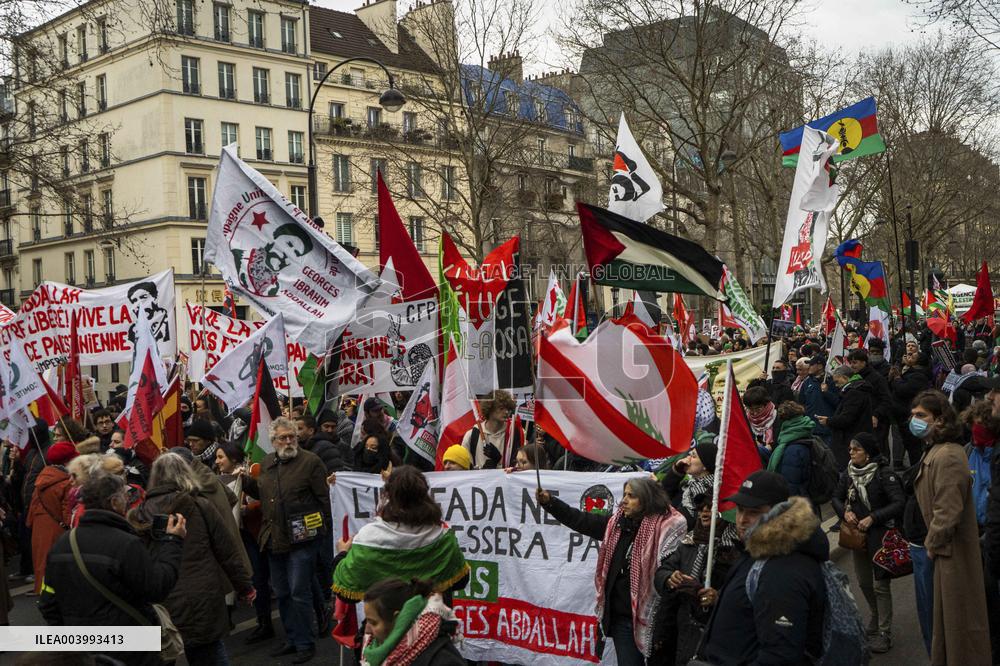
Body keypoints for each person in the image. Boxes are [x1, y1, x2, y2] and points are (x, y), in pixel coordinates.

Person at [39, 475, 186, 666]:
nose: (128, 499)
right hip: (130, 650)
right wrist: (172, 542)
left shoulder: (62, 543)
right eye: (125, 495)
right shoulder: (126, 544)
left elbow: (48, 601)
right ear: (114, 502)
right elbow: (157, 588)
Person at [537, 476, 687, 664]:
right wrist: (550, 503)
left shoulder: (667, 529)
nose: (624, 500)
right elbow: (581, 520)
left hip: (657, 622)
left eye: (631, 496)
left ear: (647, 499)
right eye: (624, 495)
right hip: (623, 621)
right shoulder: (617, 524)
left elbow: (667, 571)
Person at [130, 453, 254, 665]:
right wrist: (245, 588)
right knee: (209, 654)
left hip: (163, 598)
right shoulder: (200, 505)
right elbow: (226, 551)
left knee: (166, 654)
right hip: (202, 595)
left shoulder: (139, 514)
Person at [697, 471, 828, 665]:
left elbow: (781, 655)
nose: (742, 519)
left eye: (754, 512)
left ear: (780, 515)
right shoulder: (756, 551)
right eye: (740, 509)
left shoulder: (784, 570)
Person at [911, 389, 992, 665]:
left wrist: (932, 545)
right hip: (943, 551)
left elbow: (947, 510)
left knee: (959, 626)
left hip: (950, 552)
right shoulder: (937, 451)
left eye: (921, 415)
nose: (914, 421)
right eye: (913, 415)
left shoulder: (948, 455)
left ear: (940, 420)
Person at [241, 417, 330, 664]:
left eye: (292, 436)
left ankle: (305, 643)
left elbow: (324, 499)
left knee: (299, 592)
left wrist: (321, 533)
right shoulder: (267, 463)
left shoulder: (311, 462)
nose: (289, 441)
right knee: (282, 593)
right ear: (274, 441)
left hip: (303, 540)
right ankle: (292, 638)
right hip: (274, 538)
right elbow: (263, 493)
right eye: (283, 438)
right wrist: (245, 482)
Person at [334, 465, 469, 603]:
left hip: (387, 616)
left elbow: (345, 591)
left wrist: (342, 554)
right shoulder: (442, 536)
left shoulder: (367, 539)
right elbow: (460, 581)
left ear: (388, 495)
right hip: (433, 615)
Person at [831, 432, 904, 653]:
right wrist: (845, 513)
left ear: (869, 453)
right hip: (858, 537)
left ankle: (884, 632)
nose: (851, 452)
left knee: (880, 585)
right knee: (863, 581)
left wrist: (873, 517)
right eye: (850, 449)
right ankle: (875, 614)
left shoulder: (884, 473)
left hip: (881, 536)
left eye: (857, 449)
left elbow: (899, 502)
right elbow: (835, 497)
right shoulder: (849, 473)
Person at [654, 494, 740, 664]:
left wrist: (717, 597)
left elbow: (740, 591)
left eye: (710, 508)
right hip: (684, 627)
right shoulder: (689, 543)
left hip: (717, 630)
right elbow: (662, 572)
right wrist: (669, 578)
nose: (704, 512)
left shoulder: (735, 548)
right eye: (701, 508)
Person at [361, 578, 464, 666]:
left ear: (397, 619)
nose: (367, 630)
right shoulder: (371, 650)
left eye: (373, 623)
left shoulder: (443, 660)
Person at [27, 440, 77, 595]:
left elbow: (31, 511)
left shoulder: (42, 479)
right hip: (58, 531)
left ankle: (44, 596)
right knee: (59, 567)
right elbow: (68, 513)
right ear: (67, 461)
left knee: (42, 565)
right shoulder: (67, 482)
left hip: (40, 529)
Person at [817, 365, 873, 469]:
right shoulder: (855, 390)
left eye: (837, 381)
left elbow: (847, 418)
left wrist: (828, 421)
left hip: (850, 438)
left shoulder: (854, 393)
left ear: (845, 378)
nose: (836, 385)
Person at [660, 437, 718, 527]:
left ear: (705, 465)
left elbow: (692, 521)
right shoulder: (688, 485)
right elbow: (661, 497)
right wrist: (677, 472)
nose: (687, 459)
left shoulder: (709, 492)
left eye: (693, 456)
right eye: (689, 454)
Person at [889, 350, 933, 468]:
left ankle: (916, 469)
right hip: (902, 414)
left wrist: (897, 378)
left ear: (919, 362)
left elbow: (903, 390)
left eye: (913, 356)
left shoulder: (919, 376)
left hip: (908, 415)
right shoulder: (912, 372)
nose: (909, 356)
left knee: (914, 447)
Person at [461, 389, 522, 469]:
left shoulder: (513, 433)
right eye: (501, 408)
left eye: (508, 409)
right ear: (490, 408)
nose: (506, 412)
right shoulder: (472, 435)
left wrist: (499, 460)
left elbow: (519, 465)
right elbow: (464, 466)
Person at [767, 401, 816, 499]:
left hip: (797, 502)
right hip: (808, 495)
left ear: (785, 421)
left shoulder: (792, 450)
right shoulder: (806, 432)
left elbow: (791, 484)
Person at [848, 348, 892, 457]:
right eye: (850, 363)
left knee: (878, 449)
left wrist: (876, 415)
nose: (852, 366)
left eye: (855, 362)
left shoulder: (877, 378)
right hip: (860, 421)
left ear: (863, 362)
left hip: (876, 422)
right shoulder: (853, 378)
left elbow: (886, 400)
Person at [799, 356, 834, 444]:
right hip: (810, 428)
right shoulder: (807, 382)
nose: (809, 367)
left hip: (826, 430)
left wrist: (827, 393)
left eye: (811, 365)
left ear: (820, 366)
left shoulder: (831, 381)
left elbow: (838, 402)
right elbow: (801, 403)